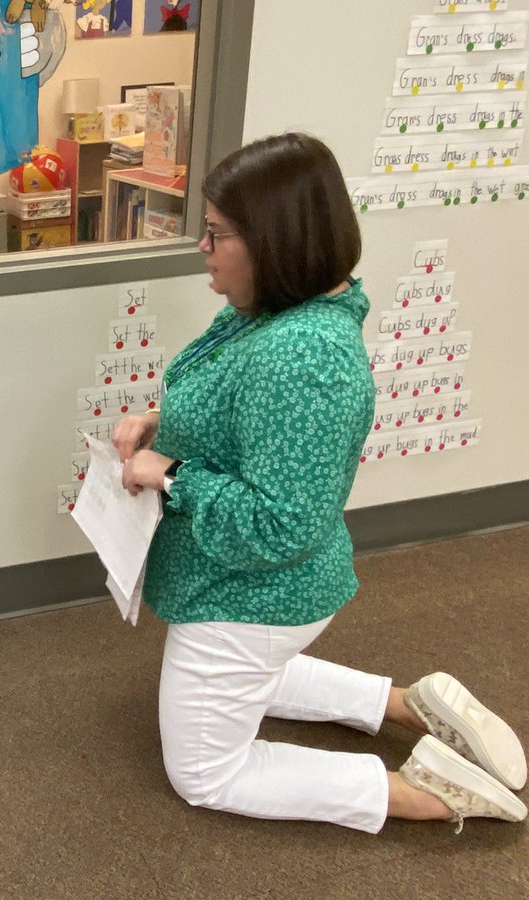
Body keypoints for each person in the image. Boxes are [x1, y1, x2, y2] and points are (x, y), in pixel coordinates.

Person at [113, 132, 526, 834]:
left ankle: (424, 793)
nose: (202, 250)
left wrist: (171, 473)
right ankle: (406, 705)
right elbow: (246, 413)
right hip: (259, 585)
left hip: (251, 589)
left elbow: (282, 524)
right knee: (249, 679)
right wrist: (164, 421)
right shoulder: (277, 309)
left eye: (215, 236)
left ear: (273, 241)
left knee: (205, 772)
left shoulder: (303, 358)